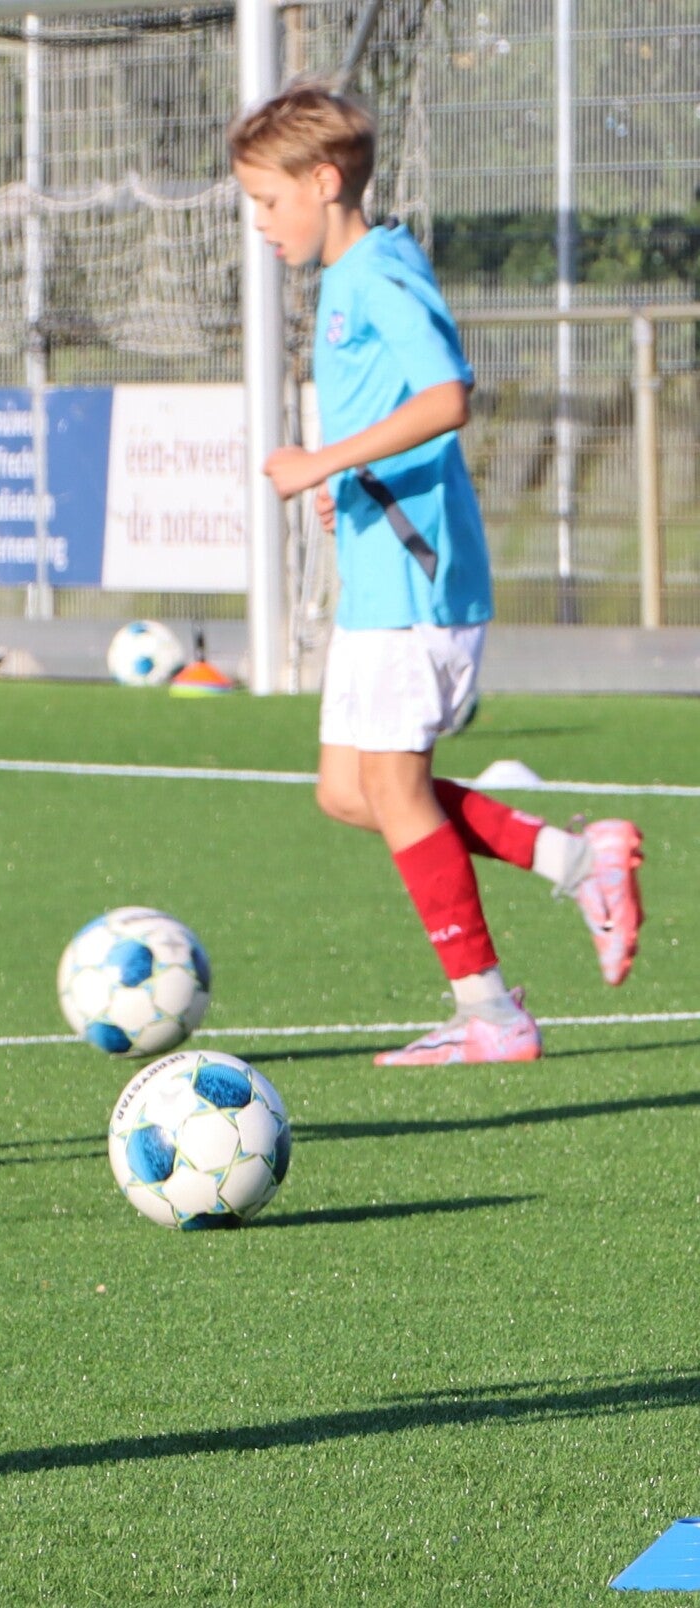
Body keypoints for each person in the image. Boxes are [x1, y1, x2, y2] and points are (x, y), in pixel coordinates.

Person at [230, 82, 643, 1066]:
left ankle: (488, 1013)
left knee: (392, 783)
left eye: (267, 200)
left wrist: (324, 461)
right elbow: (396, 411)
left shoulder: (375, 273)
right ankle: (575, 860)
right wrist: (349, 478)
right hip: (381, 576)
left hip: (415, 583)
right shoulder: (347, 276)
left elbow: (446, 396)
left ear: (322, 182)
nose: (260, 223)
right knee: (349, 792)